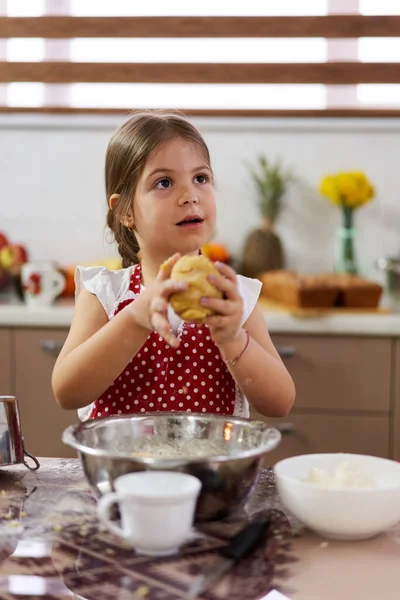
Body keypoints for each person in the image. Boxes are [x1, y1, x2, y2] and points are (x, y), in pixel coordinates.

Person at [52, 110, 295, 421]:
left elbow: (280, 403)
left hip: (209, 469)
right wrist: (136, 318)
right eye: (164, 182)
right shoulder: (105, 294)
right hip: (126, 468)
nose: (190, 195)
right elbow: (67, 392)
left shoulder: (233, 297)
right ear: (125, 211)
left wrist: (234, 339)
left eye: (200, 178)